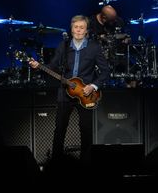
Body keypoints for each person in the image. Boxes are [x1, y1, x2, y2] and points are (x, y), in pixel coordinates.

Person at [29, 15, 110, 162]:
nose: (78, 30)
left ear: (86, 31)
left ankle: (86, 162)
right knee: (59, 129)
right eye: (76, 27)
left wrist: (92, 86)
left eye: (82, 28)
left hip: (86, 94)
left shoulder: (94, 47)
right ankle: (56, 162)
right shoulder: (63, 46)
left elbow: (105, 71)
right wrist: (38, 66)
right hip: (65, 93)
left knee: (86, 129)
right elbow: (52, 66)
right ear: (71, 29)